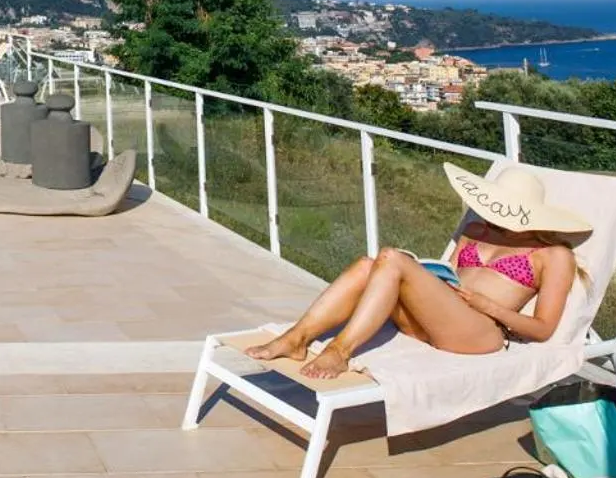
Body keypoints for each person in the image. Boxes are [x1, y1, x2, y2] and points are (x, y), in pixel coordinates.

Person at [245, 163, 589, 380]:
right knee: (370, 265)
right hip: (433, 322)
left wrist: (488, 306)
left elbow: (544, 329)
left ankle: (340, 350)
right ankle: (297, 338)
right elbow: (447, 277)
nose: (494, 214)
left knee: (392, 258)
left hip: (480, 332)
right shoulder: (475, 230)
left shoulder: (553, 255)